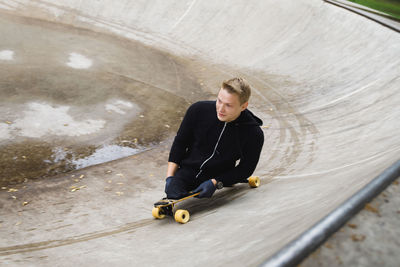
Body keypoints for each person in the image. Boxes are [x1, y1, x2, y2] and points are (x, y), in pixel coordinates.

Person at [164, 77, 264, 199]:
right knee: (173, 191)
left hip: (221, 174)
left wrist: (217, 182)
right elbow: (180, 143)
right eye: (219, 101)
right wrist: (169, 177)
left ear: (243, 106)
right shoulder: (198, 110)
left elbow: (246, 169)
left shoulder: (253, 133)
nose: (221, 109)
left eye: (228, 105)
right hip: (188, 170)